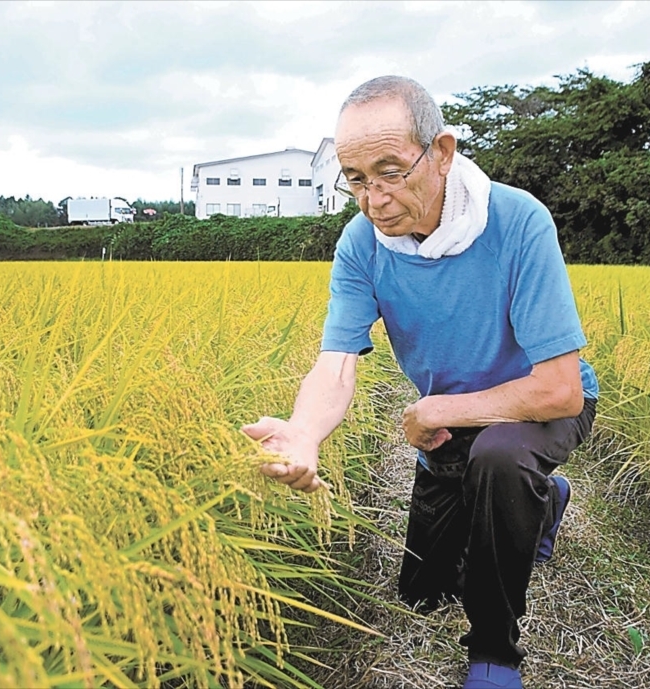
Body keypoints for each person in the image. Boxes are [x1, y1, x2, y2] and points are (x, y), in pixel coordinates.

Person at [241, 75, 598, 689]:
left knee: (502, 457)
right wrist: (303, 434)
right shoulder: (362, 245)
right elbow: (337, 364)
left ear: (441, 152)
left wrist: (435, 410)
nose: (374, 198)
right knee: (422, 593)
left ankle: (494, 654)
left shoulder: (516, 222)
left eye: (390, 171)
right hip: (452, 417)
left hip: (537, 409)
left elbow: (559, 388)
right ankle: (545, 504)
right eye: (355, 178)